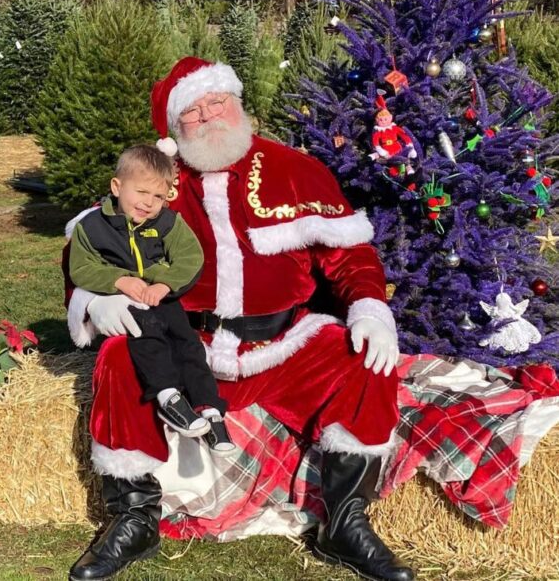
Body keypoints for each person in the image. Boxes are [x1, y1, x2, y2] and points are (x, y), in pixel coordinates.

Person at [65, 57, 414, 581]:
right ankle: (134, 516)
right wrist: (95, 300)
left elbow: (351, 256)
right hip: (187, 346)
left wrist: (368, 308)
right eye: (193, 110)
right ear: (174, 127)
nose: (208, 115)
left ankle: (344, 520)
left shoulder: (294, 170)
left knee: (367, 359)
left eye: (217, 100)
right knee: (120, 356)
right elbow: (86, 244)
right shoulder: (156, 181)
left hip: (285, 346)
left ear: (237, 101)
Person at [68, 144, 235, 454]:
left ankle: (211, 411)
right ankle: (168, 397)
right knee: (148, 338)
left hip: (161, 298)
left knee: (188, 345)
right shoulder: (91, 228)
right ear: (117, 187)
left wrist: (165, 285)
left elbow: (190, 256)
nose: (149, 203)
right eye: (142, 192)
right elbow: (80, 268)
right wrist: (117, 280)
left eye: (158, 196)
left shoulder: (168, 223)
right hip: (127, 302)